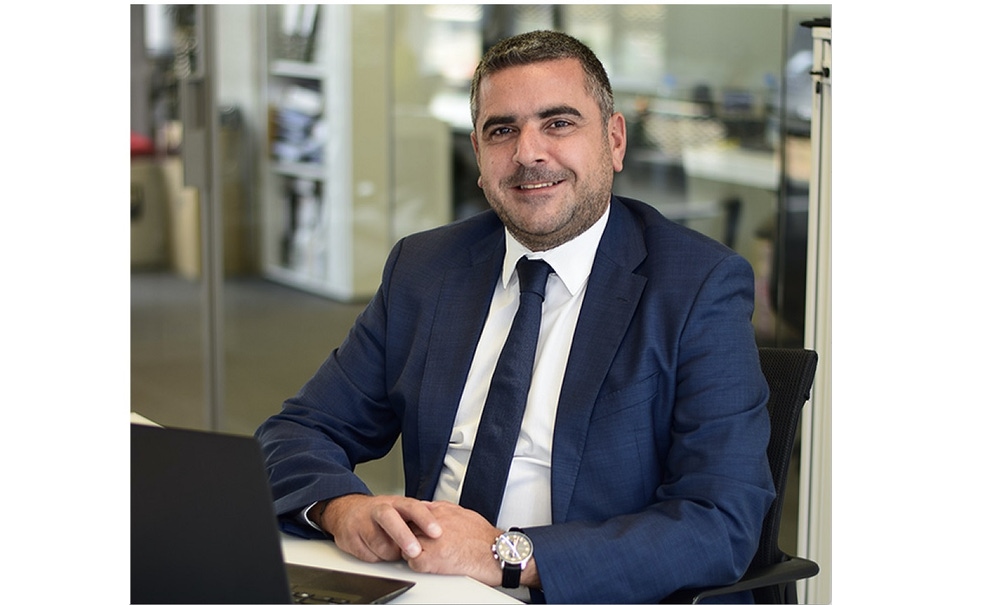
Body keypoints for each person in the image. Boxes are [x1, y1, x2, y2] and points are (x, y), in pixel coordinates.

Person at [255, 30, 774, 604]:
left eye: (558, 123)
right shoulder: (425, 268)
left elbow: (721, 521)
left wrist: (506, 554)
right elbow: (298, 430)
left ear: (615, 140)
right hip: (433, 587)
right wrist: (341, 508)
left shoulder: (698, 285)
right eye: (502, 130)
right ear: (478, 156)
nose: (528, 153)